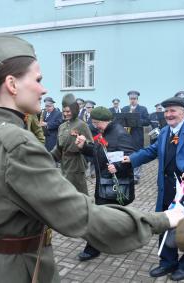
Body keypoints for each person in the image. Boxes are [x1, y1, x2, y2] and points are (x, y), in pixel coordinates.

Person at [0, 35, 184, 283]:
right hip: (19, 270)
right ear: (12, 84)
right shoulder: (17, 142)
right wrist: (161, 220)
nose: (44, 89)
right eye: (37, 79)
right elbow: (80, 215)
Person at [123, 97, 184, 281]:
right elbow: (153, 150)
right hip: (167, 189)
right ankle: (167, 262)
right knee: (166, 224)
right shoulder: (165, 131)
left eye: (173, 111)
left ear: (183, 113)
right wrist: (133, 159)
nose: (168, 115)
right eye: (166, 111)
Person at [75, 106, 136, 261]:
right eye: (94, 123)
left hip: (114, 184)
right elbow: (98, 153)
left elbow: (132, 157)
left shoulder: (120, 134)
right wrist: (84, 147)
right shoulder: (104, 132)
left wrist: (118, 167)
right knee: (113, 216)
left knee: (98, 218)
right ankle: (127, 237)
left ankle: (92, 249)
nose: (95, 126)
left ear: (106, 120)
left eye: (97, 123)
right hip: (104, 183)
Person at [50, 93, 93, 195]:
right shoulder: (62, 127)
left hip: (77, 166)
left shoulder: (82, 125)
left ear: (74, 110)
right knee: (66, 194)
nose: (65, 114)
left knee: (79, 194)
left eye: (68, 111)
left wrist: (83, 144)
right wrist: (47, 157)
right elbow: (58, 148)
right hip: (64, 165)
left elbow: (91, 146)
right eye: (64, 111)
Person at [121, 91, 150, 184]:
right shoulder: (124, 109)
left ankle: (136, 176)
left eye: (134, 99)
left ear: (137, 99)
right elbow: (120, 120)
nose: (132, 101)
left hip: (137, 136)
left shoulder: (143, 109)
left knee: (137, 154)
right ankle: (128, 173)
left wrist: (137, 121)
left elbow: (147, 121)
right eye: (131, 99)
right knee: (127, 154)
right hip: (126, 136)